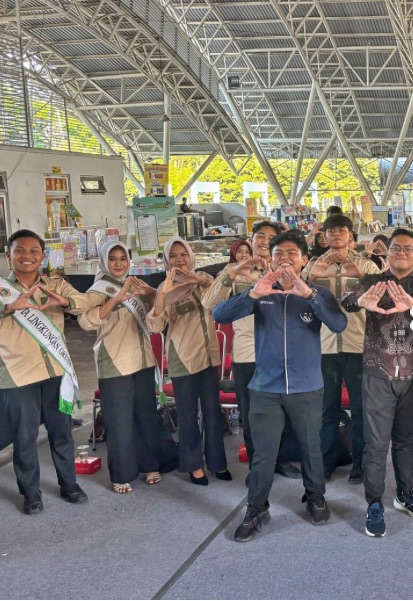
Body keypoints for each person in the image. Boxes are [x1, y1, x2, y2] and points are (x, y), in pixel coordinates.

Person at [213, 232, 347, 541]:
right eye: (278, 253)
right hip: (265, 389)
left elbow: (339, 324)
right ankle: (256, 508)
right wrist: (252, 295)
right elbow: (219, 315)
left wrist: (309, 296)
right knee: (263, 453)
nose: (285, 257)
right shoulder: (261, 292)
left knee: (311, 448)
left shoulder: (318, 293)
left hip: (307, 387)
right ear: (270, 259)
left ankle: (315, 497)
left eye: (292, 252)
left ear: (303, 260)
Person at [0, 230, 96, 515]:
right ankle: (31, 494)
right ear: (9, 255)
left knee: (62, 433)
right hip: (18, 375)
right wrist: (7, 308)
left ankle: (69, 485)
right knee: (25, 438)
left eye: (33, 251)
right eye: (19, 250)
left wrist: (65, 302)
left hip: (56, 371)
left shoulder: (56, 284)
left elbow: (84, 303)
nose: (26, 256)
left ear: (43, 257)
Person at [342, 228, 413, 538]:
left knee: (405, 440)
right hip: (378, 373)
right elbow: (347, 298)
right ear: (387, 253)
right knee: (376, 443)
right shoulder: (372, 282)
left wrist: (411, 302)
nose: (401, 253)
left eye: (407, 248)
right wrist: (363, 302)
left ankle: (405, 494)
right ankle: (374, 503)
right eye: (395, 248)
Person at [203, 221, 303, 481]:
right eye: (260, 236)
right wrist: (233, 272)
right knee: (251, 413)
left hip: (280, 352)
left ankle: (280, 459)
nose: (264, 240)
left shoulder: (285, 271)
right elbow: (209, 303)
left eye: (272, 237)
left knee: (283, 409)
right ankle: (258, 468)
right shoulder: (234, 271)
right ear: (252, 238)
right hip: (247, 352)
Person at [79, 242, 162, 494]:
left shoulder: (136, 284)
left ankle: (149, 464)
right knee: (119, 421)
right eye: (113, 259)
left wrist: (150, 294)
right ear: (105, 262)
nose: (118, 264)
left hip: (143, 360)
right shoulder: (98, 289)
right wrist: (114, 301)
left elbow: (155, 312)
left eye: (123, 258)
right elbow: (84, 320)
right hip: (115, 361)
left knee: (146, 416)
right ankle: (122, 473)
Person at [148, 238, 230, 485]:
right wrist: (162, 297)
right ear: (167, 260)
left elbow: (218, 296)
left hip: (209, 355)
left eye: (183, 254)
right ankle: (194, 466)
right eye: (173, 256)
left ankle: (217, 463)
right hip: (183, 357)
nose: (179, 259)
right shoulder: (167, 285)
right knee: (187, 414)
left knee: (213, 411)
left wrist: (199, 280)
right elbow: (156, 325)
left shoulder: (203, 278)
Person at [305, 213, 380, 483]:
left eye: (342, 230)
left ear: (351, 236)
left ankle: (359, 462)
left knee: (361, 408)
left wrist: (358, 274)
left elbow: (381, 295)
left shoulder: (367, 266)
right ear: (323, 237)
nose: (336, 234)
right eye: (331, 231)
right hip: (323, 347)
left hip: (358, 344)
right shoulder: (312, 266)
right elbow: (298, 293)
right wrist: (313, 276)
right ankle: (327, 460)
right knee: (327, 408)